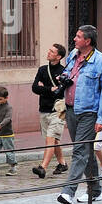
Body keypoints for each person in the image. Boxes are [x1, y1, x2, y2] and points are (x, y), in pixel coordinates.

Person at [56, 24, 102, 204]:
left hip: (89, 112)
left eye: (78, 36)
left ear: (87, 41)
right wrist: (62, 77)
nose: (75, 39)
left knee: (79, 151)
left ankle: (68, 192)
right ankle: (95, 190)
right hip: (72, 109)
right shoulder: (73, 55)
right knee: (86, 150)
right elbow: (68, 73)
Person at [30, 43, 68, 179]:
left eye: (52, 51)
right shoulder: (42, 70)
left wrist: (45, 88)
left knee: (50, 139)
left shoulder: (64, 72)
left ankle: (43, 167)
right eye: (49, 50)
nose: (48, 52)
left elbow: (59, 92)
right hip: (43, 110)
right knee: (54, 140)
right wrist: (49, 89)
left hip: (58, 111)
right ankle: (62, 163)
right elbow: (34, 88)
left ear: (58, 56)